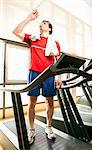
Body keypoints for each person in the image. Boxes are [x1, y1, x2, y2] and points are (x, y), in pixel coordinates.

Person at [13, 9, 62, 144]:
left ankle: (49, 127)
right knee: (32, 102)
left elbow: (56, 62)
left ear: (49, 28)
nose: (43, 23)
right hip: (34, 72)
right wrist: (29, 18)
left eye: (45, 22)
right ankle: (32, 129)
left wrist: (59, 78)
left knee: (49, 101)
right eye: (42, 22)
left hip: (49, 75)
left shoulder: (55, 43)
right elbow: (16, 32)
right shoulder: (33, 38)